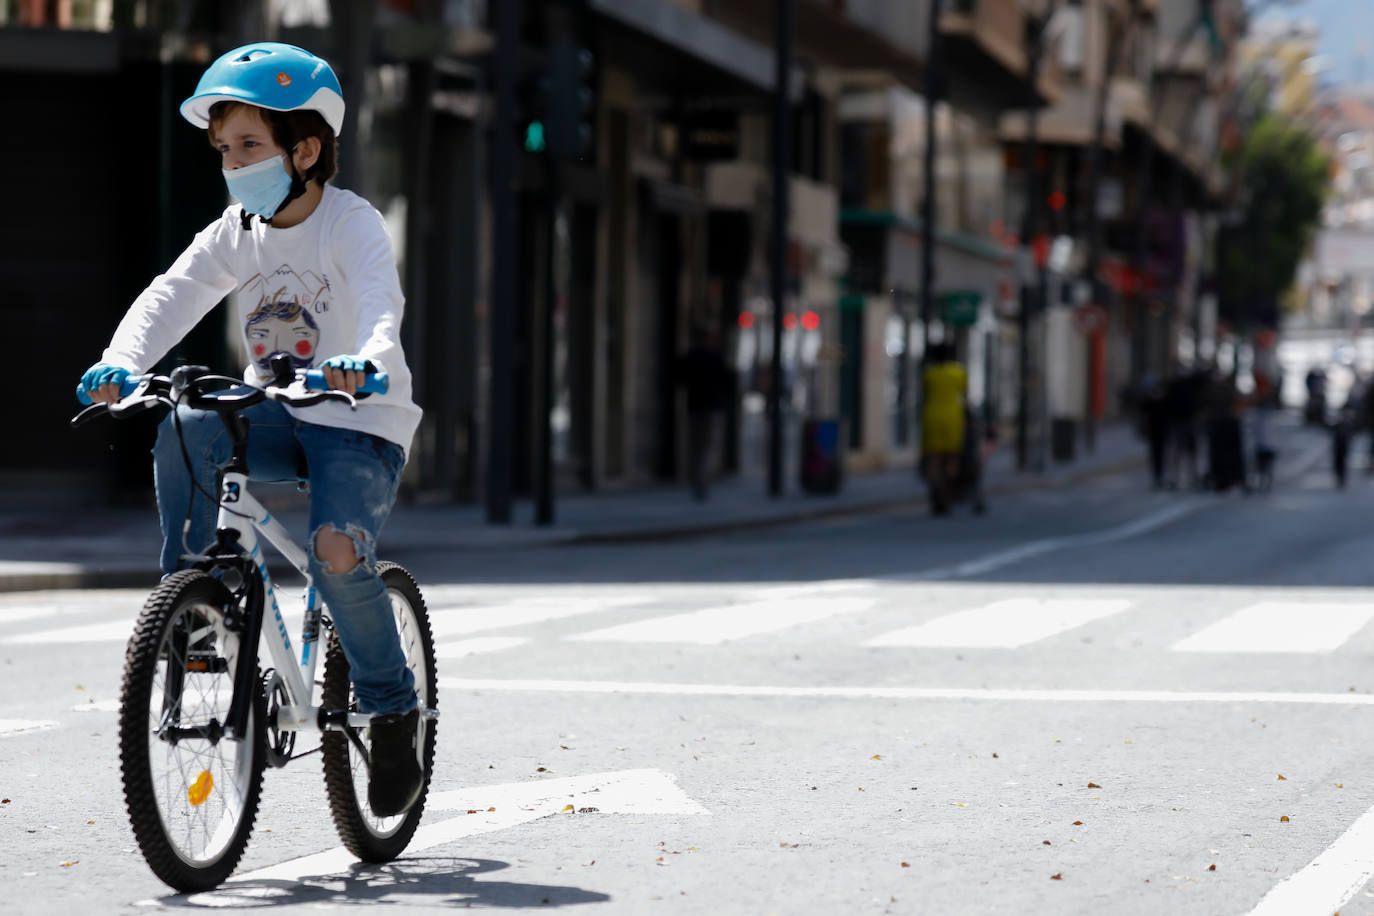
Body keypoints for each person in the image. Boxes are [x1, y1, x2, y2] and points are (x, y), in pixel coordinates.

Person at [75, 43, 425, 817]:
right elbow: (174, 293)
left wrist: (364, 362)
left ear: (304, 150)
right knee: (187, 417)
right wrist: (121, 363)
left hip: (360, 421)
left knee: (336, 555)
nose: (233, 165)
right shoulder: (237, 229)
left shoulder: (351, 223)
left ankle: (393, 704)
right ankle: (196, 607)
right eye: (226, 149)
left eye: (250, 148)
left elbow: (378, 306)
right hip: (275, 410)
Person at [675, 324, 731, 500]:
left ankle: (696, 478)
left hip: (695, 405)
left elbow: (680, 379)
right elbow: (727, 381)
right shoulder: (715, 357)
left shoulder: (690, 356)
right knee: (707, 445)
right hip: (711, 407)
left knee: (695, 444)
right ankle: (701, 479)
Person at [921, 341, 967, 515]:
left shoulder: (929, 374)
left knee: (933, 458)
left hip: (931, 417)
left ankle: (935, 490)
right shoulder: (958, 373)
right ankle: (947, 491)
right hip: (952, 418)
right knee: (951, 458)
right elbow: (964, 395)